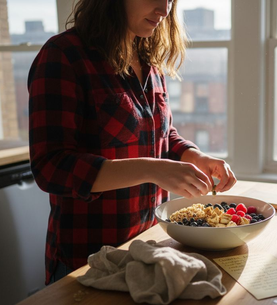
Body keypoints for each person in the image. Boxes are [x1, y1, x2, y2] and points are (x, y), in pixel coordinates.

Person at [28, 0, 236, 285]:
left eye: (171, 0)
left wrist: (193, 155)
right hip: (87, 262)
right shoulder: (63, 56)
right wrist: (152, 169)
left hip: (146, 250)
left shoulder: (147, 58)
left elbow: (161, 134)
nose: (164, 10)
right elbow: (50, 166)